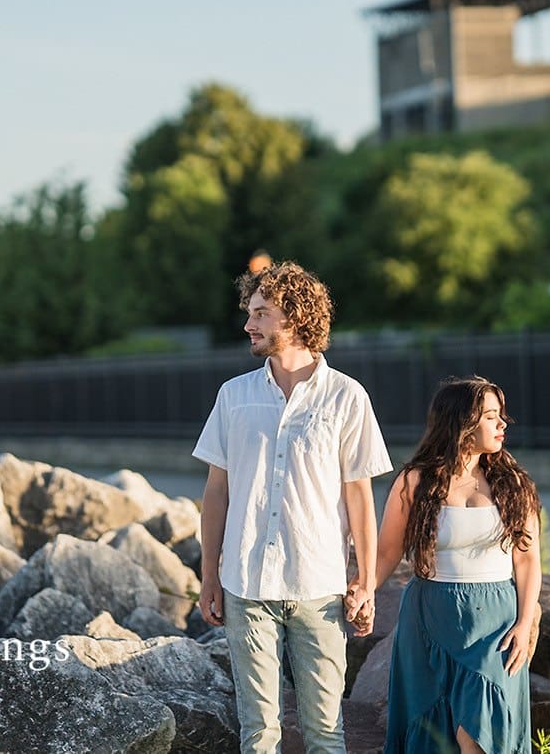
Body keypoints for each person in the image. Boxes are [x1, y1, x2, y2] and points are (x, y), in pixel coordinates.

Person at [193, 261, 395, 753]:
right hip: (246, 585)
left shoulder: (347, 397)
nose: (249, 325)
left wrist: (365, 581)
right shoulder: (233, 397)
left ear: (297, 316)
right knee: (259, 733)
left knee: (326, 733)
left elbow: (359, 496)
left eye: (261, 313)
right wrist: (208, 575)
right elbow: (216, 492)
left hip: (319, 588)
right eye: (249, 313)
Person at [374, 376, 540, 754]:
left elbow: (528, 559)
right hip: (428, 615)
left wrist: (525, 622)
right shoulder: (414, 481)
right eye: (491, 417)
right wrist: (363, 593)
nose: (502, 425)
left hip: (495, 622)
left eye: (502, 417)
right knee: (431, 735)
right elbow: (387, 553)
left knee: (481, 735)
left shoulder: (513, 484)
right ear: (462, 423)